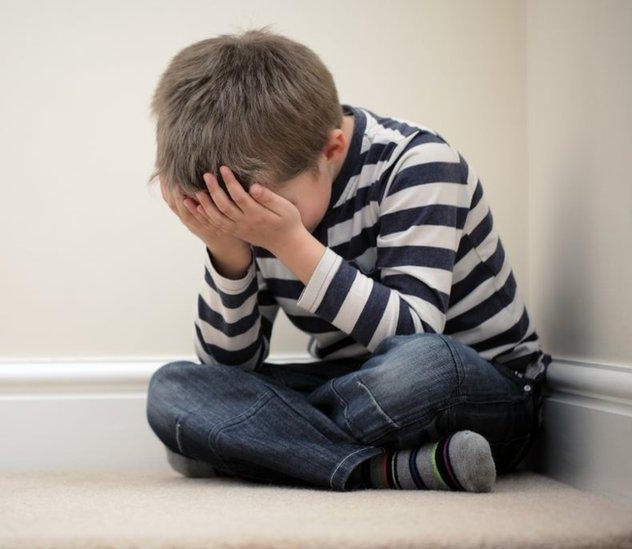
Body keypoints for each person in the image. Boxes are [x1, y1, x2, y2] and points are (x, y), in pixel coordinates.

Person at [145, 28, 550, 492]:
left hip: (479, 387)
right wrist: (228, 252)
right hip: (358, 388)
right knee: (174, 391)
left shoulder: (419, 163)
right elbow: (231, 369)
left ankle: (256, 448)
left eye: (264, 209)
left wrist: (288, 241)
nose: (247, 223)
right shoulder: (252, 213)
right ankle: (390, 469)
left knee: (424, 369)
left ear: (331, 149)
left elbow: (414, 334)